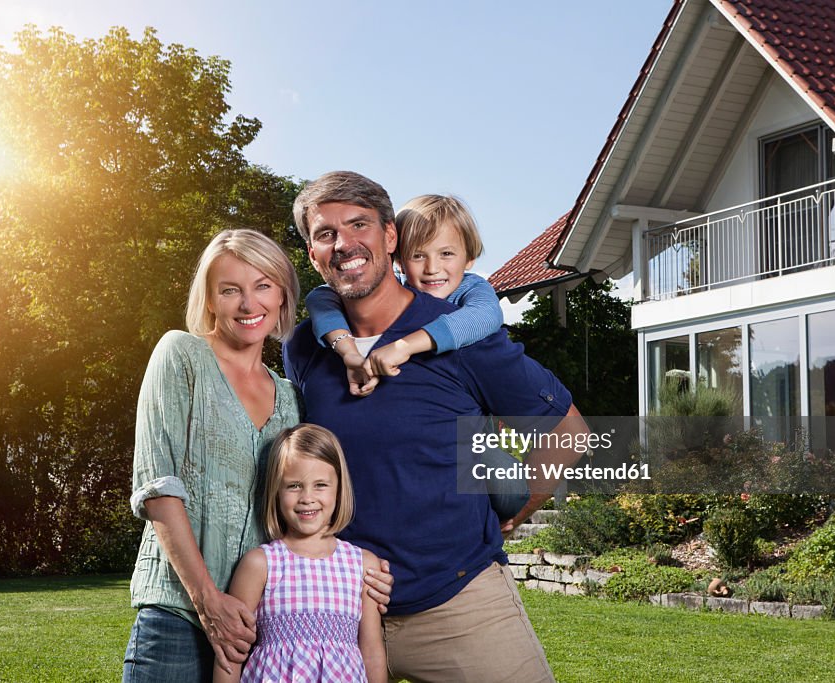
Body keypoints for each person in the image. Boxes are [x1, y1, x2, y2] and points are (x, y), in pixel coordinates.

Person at [284, 171, 588, 683]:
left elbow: (570, 433)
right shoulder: (305, 348)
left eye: (358, 224)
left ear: (389, 236)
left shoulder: (464, 334)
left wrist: (514, 512)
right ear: (313, 253)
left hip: (460, 602)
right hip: (339, 613)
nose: (344, 243)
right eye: (325, 233)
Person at [122, 229, 392, 682]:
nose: (249, 305)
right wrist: (208, 601)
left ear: (283, 295)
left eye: (263, 286)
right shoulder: (181, 355)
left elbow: (309, 497)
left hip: (264, 630)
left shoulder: (290, 396)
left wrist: (360, 574)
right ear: (209, 299)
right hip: (179, 612)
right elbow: (158, 488)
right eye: (231, 290)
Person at [305, 193, 527, 520]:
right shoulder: (390, 291)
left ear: (468, 259)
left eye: (447, 253)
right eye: (418, 255)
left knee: (506, 489)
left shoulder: (471, 290)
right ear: (398, 259)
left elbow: (485, 316)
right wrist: (348, 350)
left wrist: (405, 346)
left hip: (478, 453)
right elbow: (320, 297)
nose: (433, 268)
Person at [213, 423, 387, 683]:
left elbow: (372, 650)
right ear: (276, 491)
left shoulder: (362, 565)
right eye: (294, 486)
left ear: (339, 489)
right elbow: (231, 651)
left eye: (320, 485)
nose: (307, 497)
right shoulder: (260, 564)